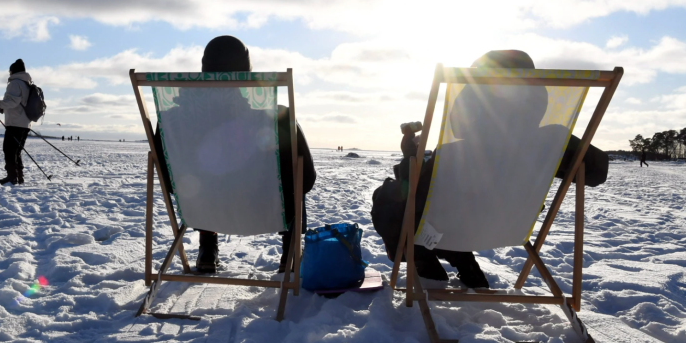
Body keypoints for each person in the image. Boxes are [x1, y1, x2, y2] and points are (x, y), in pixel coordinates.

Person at [372, 50, 610, 289]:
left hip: (457, 226)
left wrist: (409, 158)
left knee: (387, 199)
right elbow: (597, 172)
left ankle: (428, 264)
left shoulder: (454, 153)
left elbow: (412, 197)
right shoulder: (552, 142)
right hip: (512, 226)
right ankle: (463, 262)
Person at [153, 36, 317, 273]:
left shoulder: (172, 121)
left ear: (204, 70)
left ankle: (207, 250)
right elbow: (307, 180)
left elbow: (169, 182)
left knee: (203, 183)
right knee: (294, 171)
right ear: (246, 75)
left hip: (201, 206)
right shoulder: (277, 120)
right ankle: (290, 253)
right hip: (263, 206)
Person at [0, 59, 33, 185]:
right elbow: (18, 103)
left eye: (10, 71)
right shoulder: (26, 83)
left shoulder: (15, 83)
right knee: (16, 151)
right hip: (25, 123)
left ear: (13, 71)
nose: (9, 74)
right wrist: (3, 108)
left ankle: (12, 177)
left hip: (15, 123)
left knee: (9, 150)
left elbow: (12, 102)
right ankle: (18, 177)